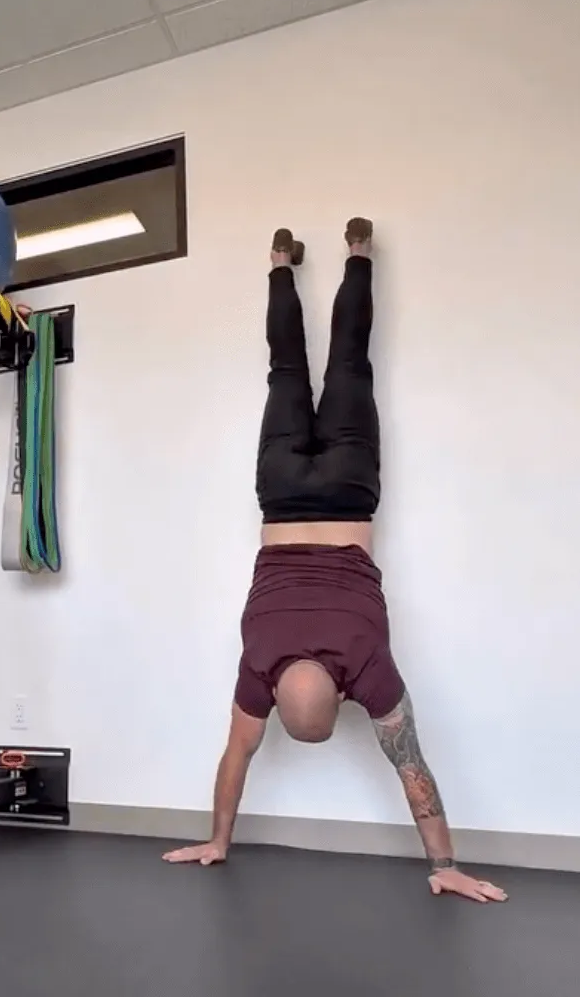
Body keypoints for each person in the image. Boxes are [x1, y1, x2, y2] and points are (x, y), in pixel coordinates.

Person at [163, 219, 507, 904]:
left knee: (350, 362)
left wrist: (447, 863)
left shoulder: (368, 665)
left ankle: (356, 254)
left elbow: (410, 766)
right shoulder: (256, 661)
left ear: (342, 692)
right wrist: (218, 839)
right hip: (280, 492)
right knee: (286, 369)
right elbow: (237, 758)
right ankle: (279, 264)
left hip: (350, 490)